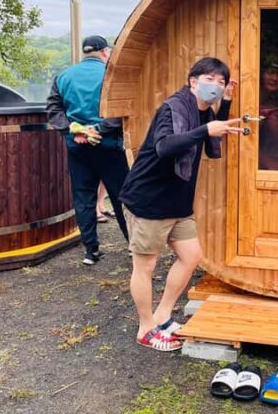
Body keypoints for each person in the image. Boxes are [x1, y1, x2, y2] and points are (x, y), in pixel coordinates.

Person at [119, 57, 241, 351]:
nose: (216, 85)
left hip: (177, 202)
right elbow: (165, 147)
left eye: (221, 82)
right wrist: (207, 129)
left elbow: (211, 145)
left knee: (192, 256)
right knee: (145, 266)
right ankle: (145, 328)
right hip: (149, 200)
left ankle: (162, 316)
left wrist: (224, 105)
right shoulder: (173, 108)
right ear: (193, 81)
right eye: (210, 79)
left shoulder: (201, 111)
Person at [46, 35, 130, 266]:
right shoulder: (111, 76)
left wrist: (75, 131)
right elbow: (122, 110)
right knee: (122, 196)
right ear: (105, 52)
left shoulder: (63, 77)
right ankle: (133, 246)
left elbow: (53, 110)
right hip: (110, 147)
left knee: (83, 197)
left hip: (77, 148)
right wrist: (98, 129)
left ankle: (90, 251)